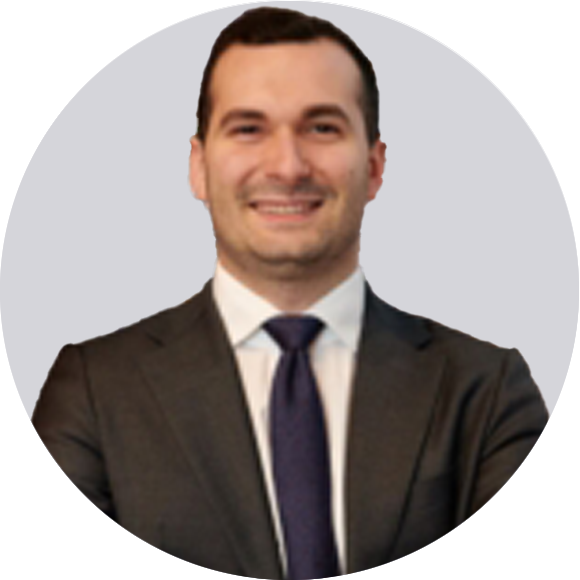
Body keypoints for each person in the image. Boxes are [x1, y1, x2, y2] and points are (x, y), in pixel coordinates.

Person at [30, 6, 550, 580]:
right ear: (199, 167)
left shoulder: (488, 389)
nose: (287, 165)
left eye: (322, 127)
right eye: (248, 129)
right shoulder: (91, 392)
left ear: (374, 166)